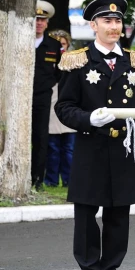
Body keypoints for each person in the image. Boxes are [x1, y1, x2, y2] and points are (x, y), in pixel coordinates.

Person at [55, 0, 135, 270]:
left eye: (117, 21)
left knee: (119, 214)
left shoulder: (134, 61)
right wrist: (89, 118)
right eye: (107, 21)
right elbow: (64, 107)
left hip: (123, 150)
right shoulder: (79, 61)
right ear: (94, 25)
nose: (114, 26)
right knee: (87, 215)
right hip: (91, 147)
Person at [32, 0, 62, 191]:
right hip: (22, 97)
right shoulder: (22, 40)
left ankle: (37, 179)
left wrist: (47, 85)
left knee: (41, 139)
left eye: (42, 20)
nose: (39, 23)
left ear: (47, 23)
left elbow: (59, 71)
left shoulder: (53, 45)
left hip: (42, 97)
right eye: (36, 19)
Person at [45, 30, 76, 187]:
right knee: (52, 149)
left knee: (69, 149)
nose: (60, 47)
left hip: (69, 108)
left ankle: (69, 180)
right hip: (50, 107)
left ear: (68, 44)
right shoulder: (46, 57)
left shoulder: (75, 60)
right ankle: (51, 180)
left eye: (63, 44)